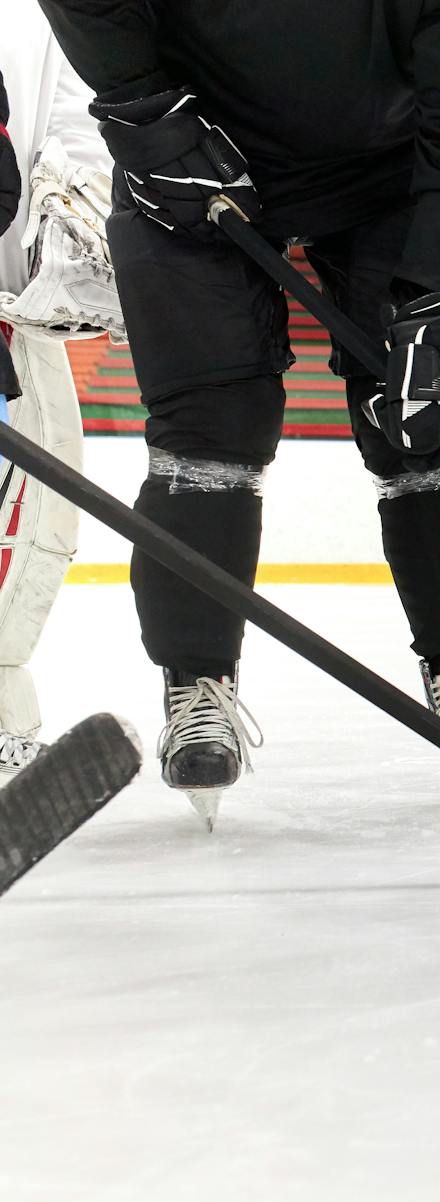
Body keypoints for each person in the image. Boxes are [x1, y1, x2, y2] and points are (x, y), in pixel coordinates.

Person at [39, 0, 440, 826]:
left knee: (418, 418)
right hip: (191, 143)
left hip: (389, 169)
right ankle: (196, 681)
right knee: (211, 427)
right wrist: (141, 104)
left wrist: (434, 289)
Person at [0, 6, 115, 785]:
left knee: (40, 520)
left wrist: (78, 211)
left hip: (14, 313)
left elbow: (82, 102)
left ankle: (3, 713)